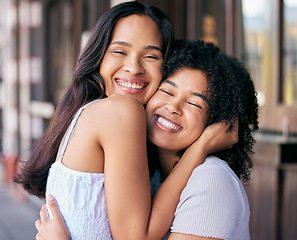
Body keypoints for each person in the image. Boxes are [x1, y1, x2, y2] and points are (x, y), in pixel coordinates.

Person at [15, 2, 237, 240]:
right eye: (120, 51)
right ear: (99, 57)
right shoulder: (122, 110)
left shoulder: (87, 113)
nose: (133, 68)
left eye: (151, 56)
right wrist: (200, 147)